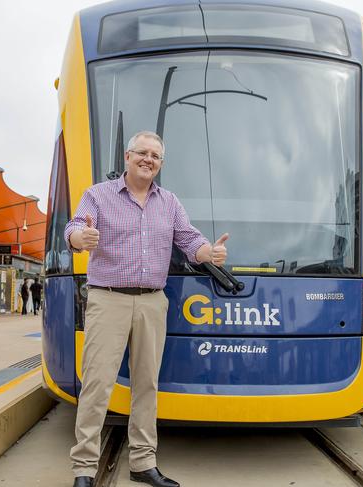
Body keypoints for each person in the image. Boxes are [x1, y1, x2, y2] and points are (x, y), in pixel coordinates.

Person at [65, 131, 229, 487]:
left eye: (155, 156)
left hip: (153, 301)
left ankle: (142, 462)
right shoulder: (98, 195)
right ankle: (84, 469)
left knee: (146, 385)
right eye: (142, 153)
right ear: (128, 156)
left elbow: (189, 240)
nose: (148, 159)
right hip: (108, 298)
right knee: (97, 383)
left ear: (160, 163)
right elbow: (75, 227)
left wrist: (208, 253)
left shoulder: (168, 202)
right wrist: (81, 239)